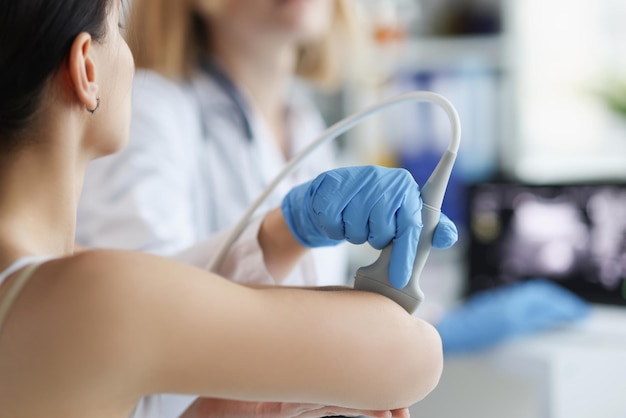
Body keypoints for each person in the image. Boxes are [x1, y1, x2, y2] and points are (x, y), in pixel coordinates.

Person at [0, 1, 462, 417]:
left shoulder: (51, 279)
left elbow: (118, 377)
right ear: (87, 69)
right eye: (118, 27)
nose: (131, 53)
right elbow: (404, 354)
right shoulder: (99, 291)